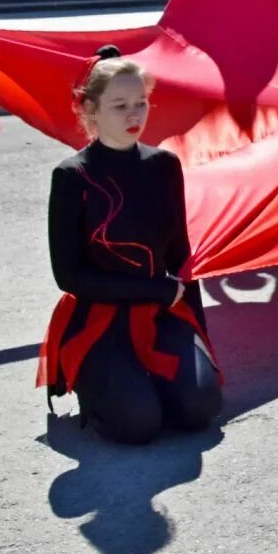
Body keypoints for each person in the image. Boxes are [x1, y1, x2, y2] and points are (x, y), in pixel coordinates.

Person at [39, 48, 222, 444]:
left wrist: (202, 341)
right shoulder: (72, 176)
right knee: (139, 425)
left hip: (161, 313)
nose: (134, 115)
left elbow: (180, 258)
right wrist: (152, 289)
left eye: (140, 103)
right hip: (99, 321)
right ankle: (104, 388)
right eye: (119, 105)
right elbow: (68, 275)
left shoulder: (163, 165)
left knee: (200, 410)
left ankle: (147, 386)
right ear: (90, 109)